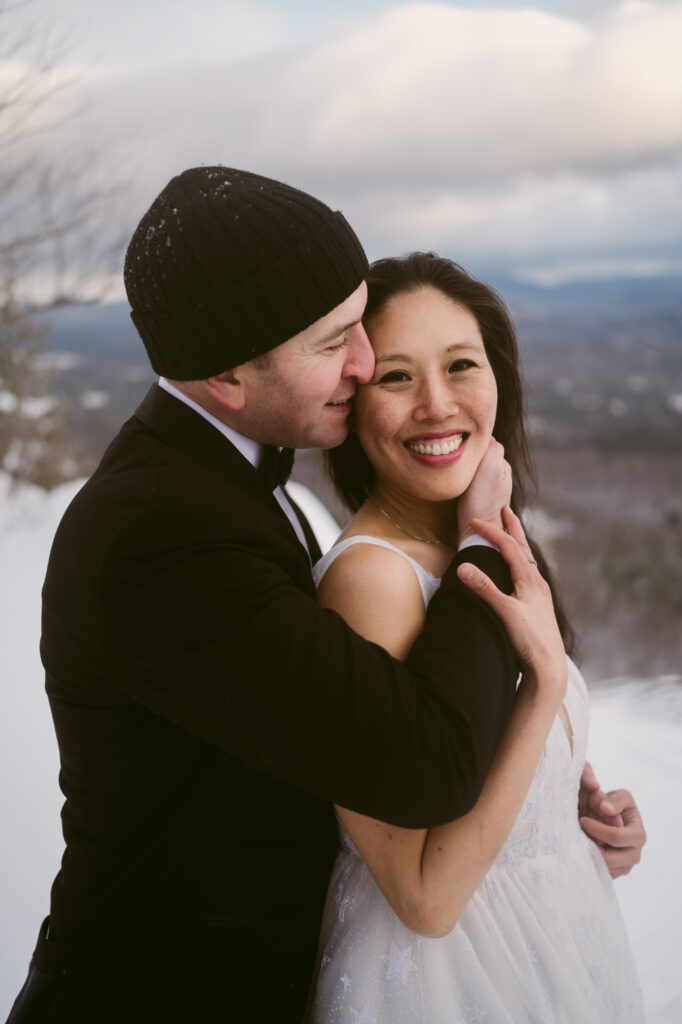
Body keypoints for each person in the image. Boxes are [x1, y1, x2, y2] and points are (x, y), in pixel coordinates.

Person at [5, 167, 535, 1024]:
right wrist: (484, 545)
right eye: (334, 345)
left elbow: (331, 713)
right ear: (227, 379)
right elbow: (421, 763)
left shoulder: (235, 482)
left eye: (360, 324)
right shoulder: (162, 536)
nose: (365, 368)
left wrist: (533, 783)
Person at [307, 252, 646, 1023]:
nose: (437, 403)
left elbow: (487, 756)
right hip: (445, 984)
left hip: (556, 945)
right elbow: (424, 894)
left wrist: (576, 815)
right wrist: (547, 694)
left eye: (461, 364)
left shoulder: (480, 539)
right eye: (396, 377)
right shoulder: (372, 583)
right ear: (353, 409)